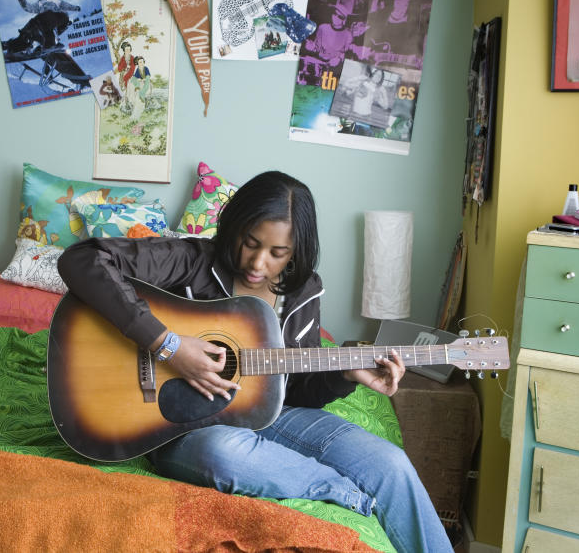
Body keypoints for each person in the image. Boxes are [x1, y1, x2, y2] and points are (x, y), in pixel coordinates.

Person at [57, 171, 452, 553]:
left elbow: (295, 390)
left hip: (273, 414)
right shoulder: (191, 260)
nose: (259, 263)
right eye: (251, 243)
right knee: (223, 454)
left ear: (296, 253)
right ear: (235, 227)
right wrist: (169, 346)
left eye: (278, 253)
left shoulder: (303, 290)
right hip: (179, 425)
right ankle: (350, 495)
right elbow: (81, 260)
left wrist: (344, 375)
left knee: (390, 463)